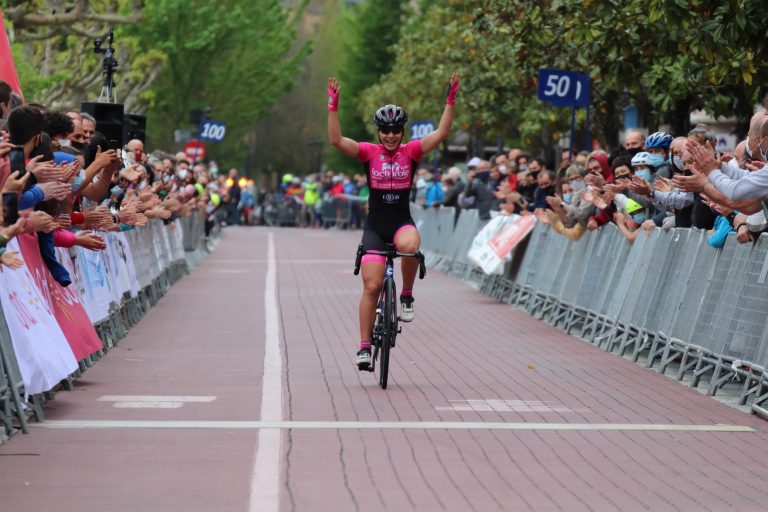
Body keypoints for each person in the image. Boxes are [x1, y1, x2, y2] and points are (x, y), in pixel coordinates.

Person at [327, 72, 459, 370]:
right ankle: (363, 346)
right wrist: (333, 107)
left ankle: (407, 295)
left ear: (402, 131)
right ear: (378, 132)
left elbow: (440, 134)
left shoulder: (410, 152)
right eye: (385, 130)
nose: (390, 135)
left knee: (411, 245)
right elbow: (335, 140)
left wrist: (450, 101)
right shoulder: (368, 152)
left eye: (395, 130)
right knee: (371, 287)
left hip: (401, 222)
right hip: (375, 227)